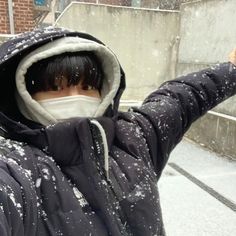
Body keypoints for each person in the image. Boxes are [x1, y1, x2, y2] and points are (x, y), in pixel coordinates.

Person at [0, 27, 235, 236]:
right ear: (23, 97)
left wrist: (232, 69)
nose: (75, 97)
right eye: (55, 88)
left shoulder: (133, 138)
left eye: (87, 86)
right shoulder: (16, 169)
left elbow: (180, 98)